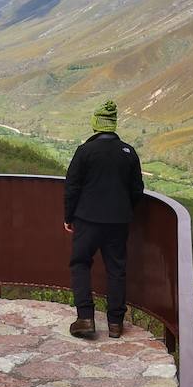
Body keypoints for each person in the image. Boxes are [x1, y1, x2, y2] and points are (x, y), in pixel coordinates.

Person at [63, 98, 145, 340]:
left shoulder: (85, 151)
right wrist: (124, 211)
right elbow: (137, 190)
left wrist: (69, 216)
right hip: (118, 222)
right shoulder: (128, 153)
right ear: (114, 124)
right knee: (116, 269)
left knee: (80, 263)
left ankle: (85, 318)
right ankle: (116, 324)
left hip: (87, 220)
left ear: (96, 124)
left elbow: (72, 187)